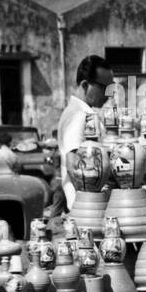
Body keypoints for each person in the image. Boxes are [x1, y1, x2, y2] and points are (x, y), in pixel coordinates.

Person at [56, 56, 115, 209]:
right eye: (105, 88)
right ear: (85, 85)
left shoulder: (84, 113)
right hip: (88, 208)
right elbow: (72, 162)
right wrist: (88, 204)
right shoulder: (78, 115)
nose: (109, 94)